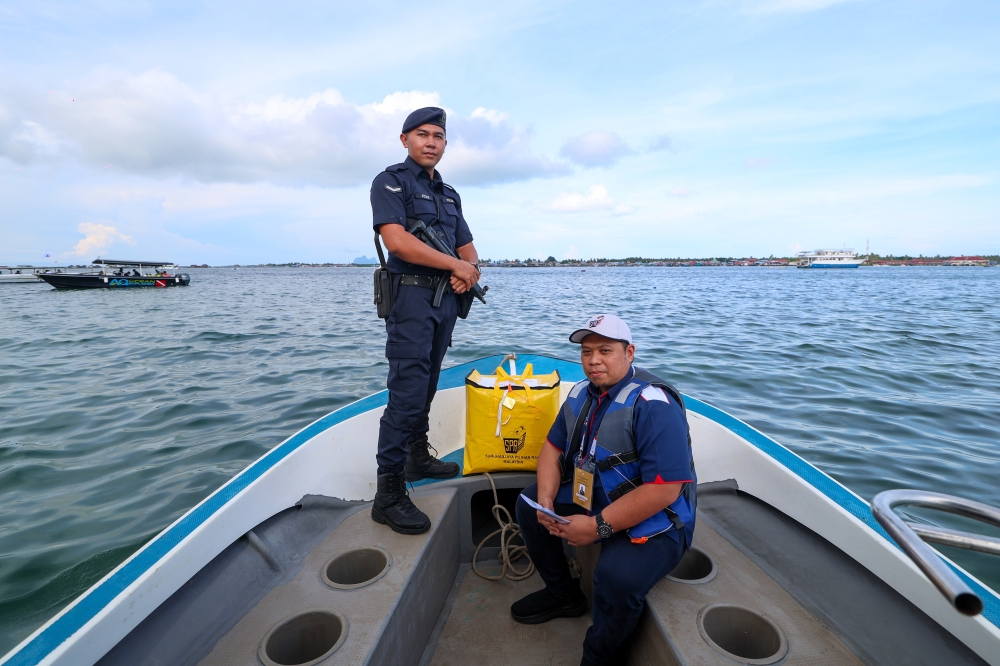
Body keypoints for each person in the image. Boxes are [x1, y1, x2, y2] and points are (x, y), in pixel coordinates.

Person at [511, 314, 697, 666]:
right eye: (586, 352)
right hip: (598, 494)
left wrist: (598, 527)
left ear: (629, 352)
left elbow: (665, 491)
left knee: (616, 578)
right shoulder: (581, 393)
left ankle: (600, 656)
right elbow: (552, 449)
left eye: (605, 350)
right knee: (529, 505)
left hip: (659, 518)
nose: (593, 360)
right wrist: (548, 499)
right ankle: (563, 595)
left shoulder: (654, 405)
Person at [368, 107, 482, 535]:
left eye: (438, 136)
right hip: (411, 299)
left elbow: (469, 250)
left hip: (444, 301)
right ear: (405, 140)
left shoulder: (450, 194)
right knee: (407, 393)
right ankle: (389, 494)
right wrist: (455, 265)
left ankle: (418, 456)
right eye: (422, 134)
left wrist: (467, 270)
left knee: (429, 383)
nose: (431, 142)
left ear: (446, 144)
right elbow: (396, 241)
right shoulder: (390, 181)